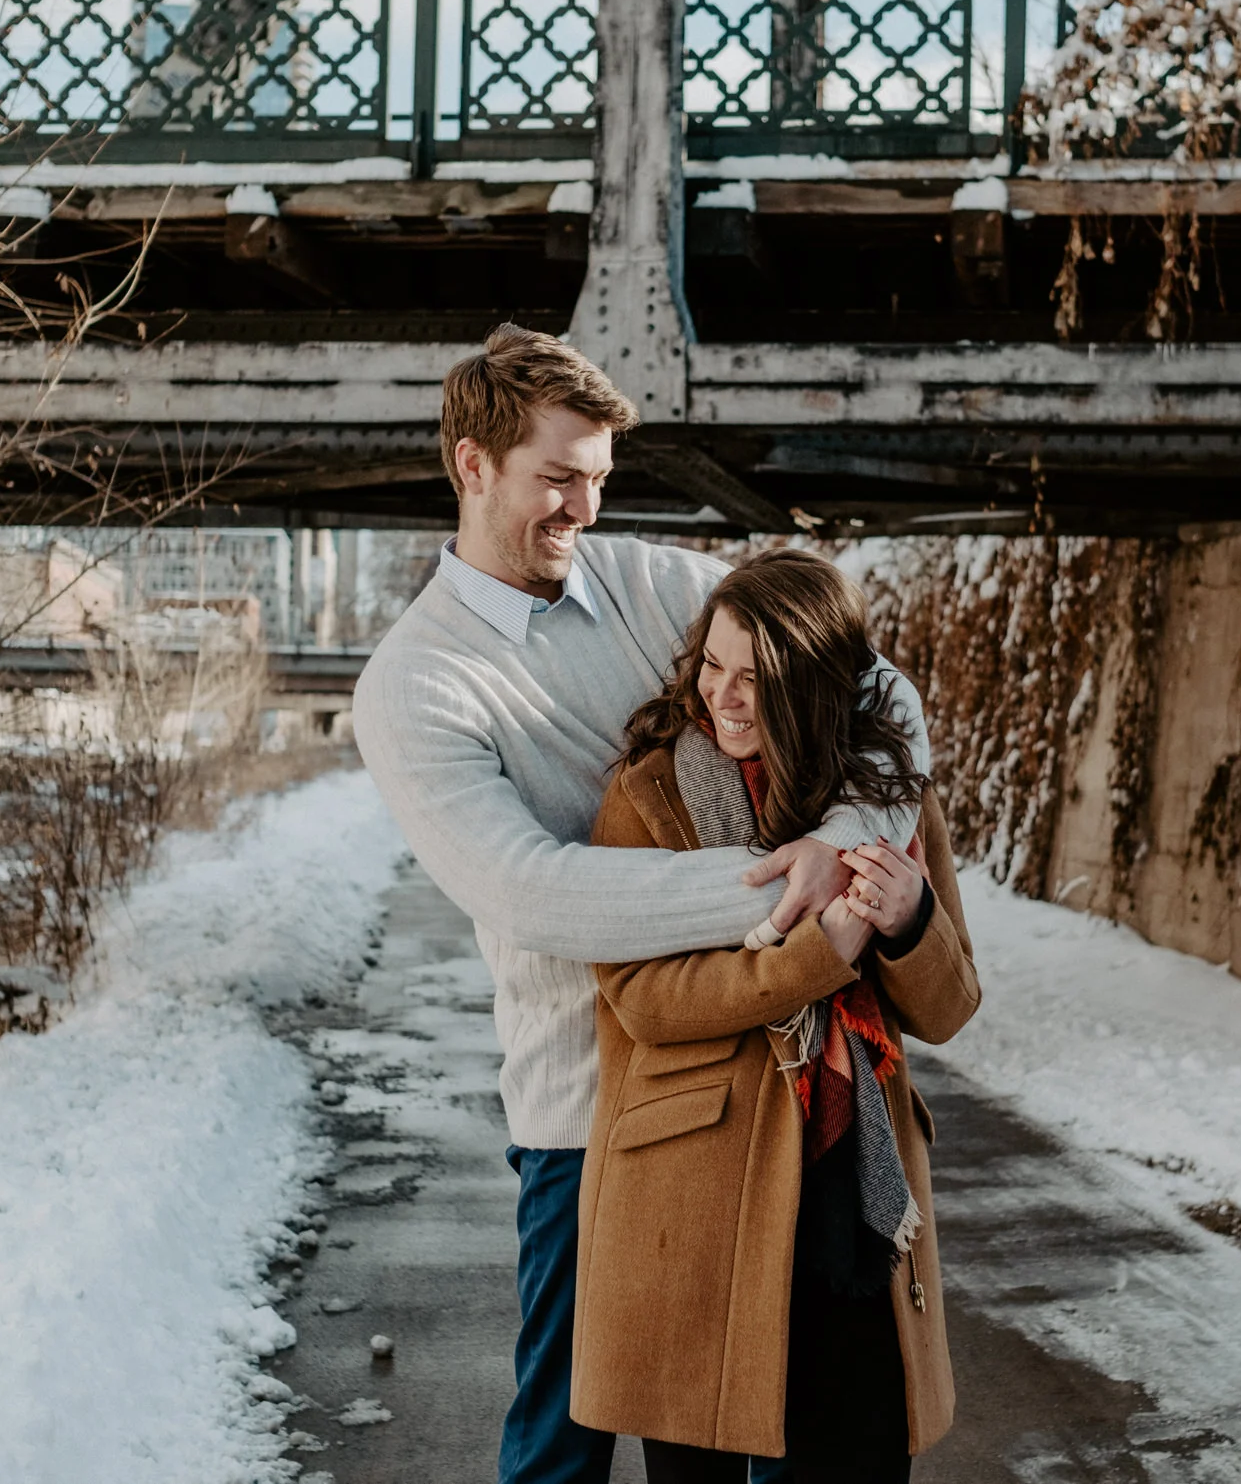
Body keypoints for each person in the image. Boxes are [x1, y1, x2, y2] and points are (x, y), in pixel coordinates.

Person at [352, 325, 931, 1484]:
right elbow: (534, 890)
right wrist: (780, 893)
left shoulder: (653, 582)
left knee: (774, 1420)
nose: (583, 507)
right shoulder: (413, 684)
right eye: (556, 478)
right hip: (584, 1099)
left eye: (601, 479)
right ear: (473, 466)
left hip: (764, 1078)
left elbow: (875, 685)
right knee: (564, 1439)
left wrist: (842, 839)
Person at [571, 548, 979, 1484]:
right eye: (713, 664)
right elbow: (644, 999)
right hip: (692, 1197)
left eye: (758, 677)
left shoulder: (887, 802)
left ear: (819, 683)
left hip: (851, 1193)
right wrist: (815, 956)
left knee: (861, 1459)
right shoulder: (650, 793)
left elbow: (951, 1007)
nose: (726, 694)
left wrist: (909, 918)